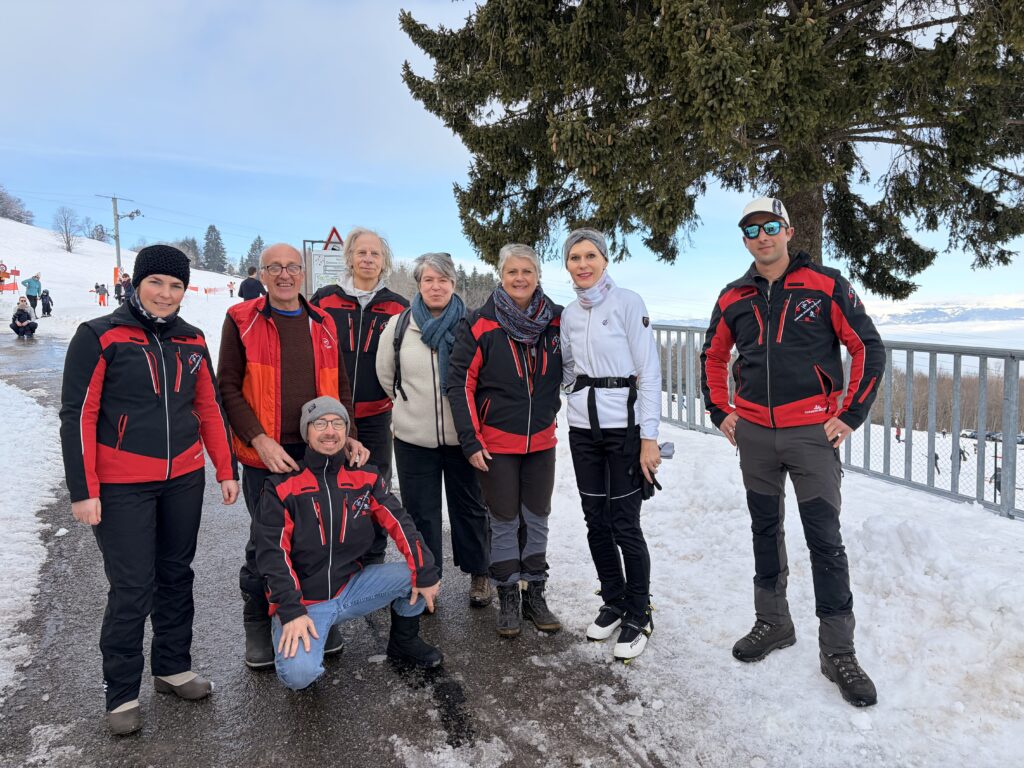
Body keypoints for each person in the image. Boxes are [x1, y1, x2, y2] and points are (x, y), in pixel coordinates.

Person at [701, 197, 885, 708]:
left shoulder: (826, 284)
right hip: (755, 436)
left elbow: (867, 347)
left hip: (812, 435)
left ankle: (838, 651)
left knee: (825, 540)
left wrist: (850, 414)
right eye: (751, 230)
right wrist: (720, 411)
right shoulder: (733, 296)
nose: (762, 236)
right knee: (764, 530)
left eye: (770, 227)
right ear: (744, 240)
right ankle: (773, 622)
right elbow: (713, 355)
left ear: (788, 231)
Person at [58, 245, 239, 735]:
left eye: (176, 285)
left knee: (176, 574)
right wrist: (84, 489)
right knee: (133, 586)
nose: (165, 293)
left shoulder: (192, 339)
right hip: (121, 484)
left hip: (183, 479)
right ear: (136, 284)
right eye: (156, 282)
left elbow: (208, 407)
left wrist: (225, 469)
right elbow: (79, 414)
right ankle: (121, 693)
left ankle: (172, 667)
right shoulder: (100, 335)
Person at [218, 243, 369, 671]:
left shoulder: (322, 322)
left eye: (291, 267)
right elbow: (226, 386)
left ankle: (317, 611)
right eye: (274, 268)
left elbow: (341, 387)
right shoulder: (241, 319)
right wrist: (259, 440)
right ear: (262, 274)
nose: (284, 275)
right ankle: (257, 619)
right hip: (267, 456)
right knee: (266, 541)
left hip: (319, 451)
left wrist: (349, 436)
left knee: (319, 536)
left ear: (303, 273)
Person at [255, 397, 442, 690]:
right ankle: (293, 632)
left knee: (419, 572)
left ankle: (404, 642)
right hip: (305, 602)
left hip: (352, 587)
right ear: (306, 432)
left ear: (347, 431)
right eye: (320, 423)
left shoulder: (366, 477)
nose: (330, 431)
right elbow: (272, 555)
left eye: (337, 423)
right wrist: (291, 611)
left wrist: (424, 569)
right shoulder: (282, 486)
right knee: (299, 676)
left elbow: (400, 522)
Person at [447, 243, 563, 638]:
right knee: (504, 522)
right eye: (512, 271)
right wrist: (470, 440)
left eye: (527, 271)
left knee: (537, 518)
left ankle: (535, 593)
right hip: (496, 442)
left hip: (541, 441)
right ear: (501, 275)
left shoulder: (556, 321)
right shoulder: (481, 323)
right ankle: (508, 594)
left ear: (538, 275)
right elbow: (460, 384)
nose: (519, 278)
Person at [559, 229, 661, 662]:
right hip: (582, 428)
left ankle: (640, 611)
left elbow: (649, 371)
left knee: (624, 523)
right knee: (595, 520)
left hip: (624, 428)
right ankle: (614, 600)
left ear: (604, 259)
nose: (583, 264)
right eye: (574, 258)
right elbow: (567, 366)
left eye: (590, 256)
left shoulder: (627, 303)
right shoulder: (568, 313)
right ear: (567, 265)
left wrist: (649, 438)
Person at [376, 252, 491, 609]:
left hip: (464, 438)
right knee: (421, 513)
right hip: (413, 439)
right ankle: (429, 578)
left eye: (443, 280)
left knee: (470, 509)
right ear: (419, 284)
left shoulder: (472, 324)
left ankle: (480, 574)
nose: (436, 286)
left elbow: (484, 377)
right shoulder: (399, 326)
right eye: (429, 280)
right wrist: (411, 407)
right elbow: (386, 376)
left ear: (454, 284)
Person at [311, 227, 409, 564]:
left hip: (376, 414)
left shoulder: (398, 306)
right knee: (328, 484)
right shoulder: (324, 300)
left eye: (375, 253)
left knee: (374, 485)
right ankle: (330, 556)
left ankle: (373, 556)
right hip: (330, 416)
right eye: (361, 252)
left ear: (384, 261)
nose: (368, 259)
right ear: (350, 257)